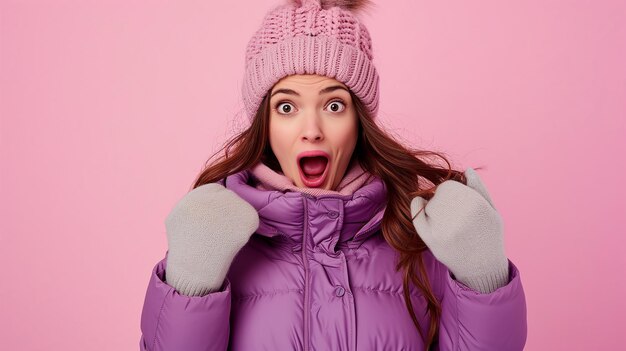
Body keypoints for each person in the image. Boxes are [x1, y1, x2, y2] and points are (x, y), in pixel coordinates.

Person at [139, 0, 528, 350]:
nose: (311, 129)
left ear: (359, 121)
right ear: (265, 124)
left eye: (335, 105)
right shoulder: (218, 245)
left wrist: (483, 276)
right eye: (287, 107)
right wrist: (189, 285)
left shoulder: (421, 240)